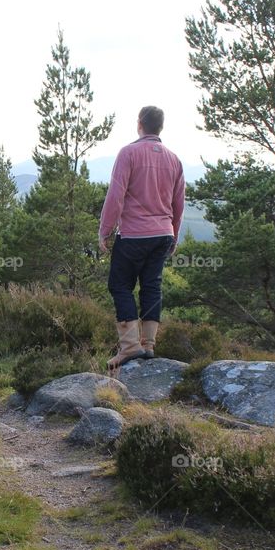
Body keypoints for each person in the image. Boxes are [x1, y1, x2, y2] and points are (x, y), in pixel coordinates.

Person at [98, 105, 184, 368]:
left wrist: (105, 230)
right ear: (160, 127)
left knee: (120, 285)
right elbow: (178, 204)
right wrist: (174, 236)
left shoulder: (128, 153)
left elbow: (116, 195)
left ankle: (129, 347)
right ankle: (148, 345)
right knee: (151, 286)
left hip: (134, 234)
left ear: (139, 124)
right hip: (163, 235)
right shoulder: (174, 159)